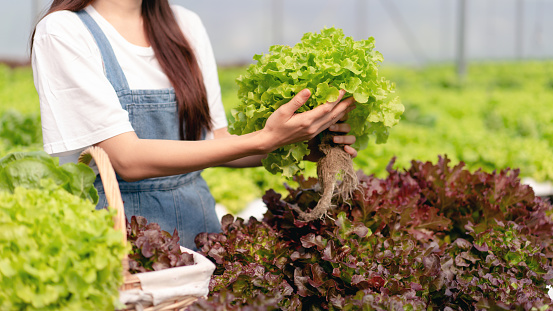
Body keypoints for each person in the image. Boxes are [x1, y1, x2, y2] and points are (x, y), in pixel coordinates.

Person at [31, 0, 357, 250]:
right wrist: (265, 139)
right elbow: (126, 159)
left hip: (198, 224)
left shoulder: (185, 24)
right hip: (116, 232)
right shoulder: (63, 31)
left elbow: (218, 143)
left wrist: (300, 143)